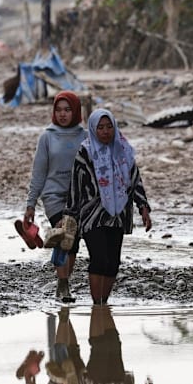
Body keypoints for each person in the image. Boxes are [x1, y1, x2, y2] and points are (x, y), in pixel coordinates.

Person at [63, 108, 152, 307]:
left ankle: (104, 304)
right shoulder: (85, 152)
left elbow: (135, 179)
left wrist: (143, 207)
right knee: (99, 259)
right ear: (93, 129)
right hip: (92, 214)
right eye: (101, 127)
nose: (105, 131)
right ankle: (98, 306)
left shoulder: (123, 150)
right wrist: (70, 215)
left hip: (118, 215)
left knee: (113, 263)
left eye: (109, 127)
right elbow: (75, 185)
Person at [25, 91, 87, 302]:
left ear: (75, 111)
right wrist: (31, 204)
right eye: (59, 110)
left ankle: (64, 280)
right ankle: (63, 285)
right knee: (63, 234)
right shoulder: (47, 137)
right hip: (53, 197)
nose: (62, 114)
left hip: (78, 198)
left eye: (67, 110)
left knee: (73, 242)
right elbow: (39, 172)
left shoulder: (85, 137)